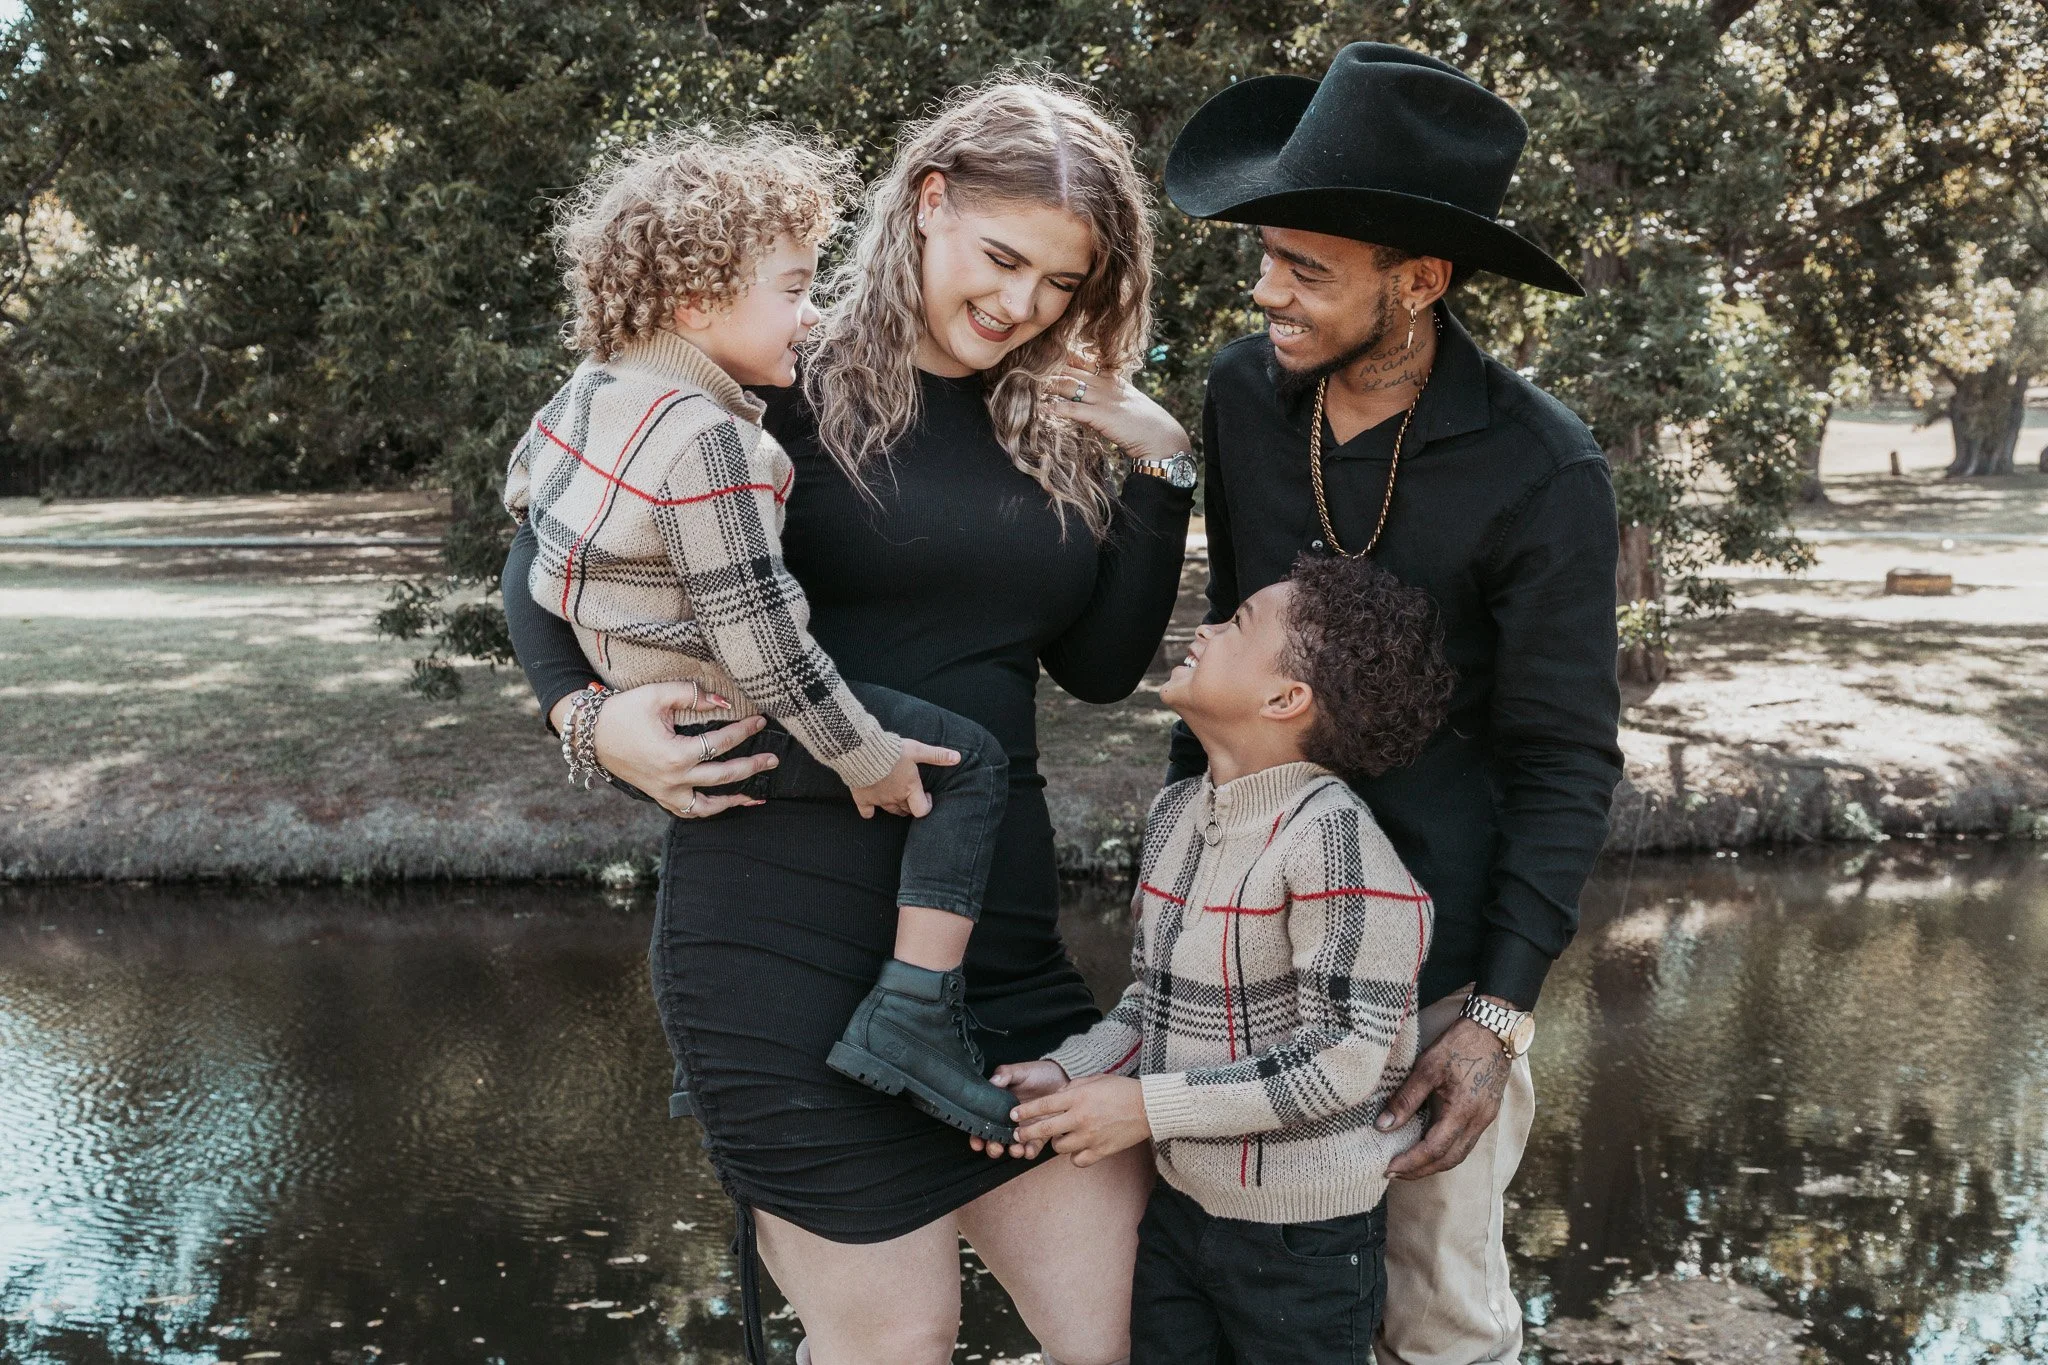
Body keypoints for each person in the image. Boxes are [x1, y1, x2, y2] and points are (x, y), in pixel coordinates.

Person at [500, 79, 1196, 1365]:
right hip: (784, 942)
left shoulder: (1049, 418)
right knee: (893, 1346)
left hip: (998, 947)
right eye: (1000, 258)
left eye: (1059, 282)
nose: (1019, 303)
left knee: (1127, 1345)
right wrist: (590, 723)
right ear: (927, 204)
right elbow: (543, 563)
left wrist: (1160, 467)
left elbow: (1098, 668)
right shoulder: (763, 370)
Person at [1159, 42, 1624, 1365]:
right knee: (1232, 1298)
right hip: (1241, 941)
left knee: (1438, 1319)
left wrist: (1496, 1022)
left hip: (1434, 972)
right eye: (1266, 256)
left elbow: (1566, 758)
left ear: (1417, 281)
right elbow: (1239, 656)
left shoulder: (1545, 471)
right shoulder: (1247, 396)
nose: (1265, 291)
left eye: (1304, 267)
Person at [503, 127, 1023, 1144]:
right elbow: (763, 641)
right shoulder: (715, 442)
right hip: (725, 711)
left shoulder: (595, 390)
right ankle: (915, 1016)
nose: (810, 311)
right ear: (698, 305)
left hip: (654, 696)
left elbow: (527, 511)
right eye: (790, 288)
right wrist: (860, 756)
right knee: (967, 766)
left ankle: (726, 1062)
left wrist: (600, 675)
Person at [988, 553, 1456, 1364]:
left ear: (1285, 698)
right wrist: (1071, 1072)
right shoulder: (1178, 813)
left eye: (1236, 623)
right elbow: (1152, 1001)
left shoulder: (1334, 841)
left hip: (1303, 1241)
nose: (1203, 629)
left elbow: (1342, 1060)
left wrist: (1145, 1110)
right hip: (1182, 1212)